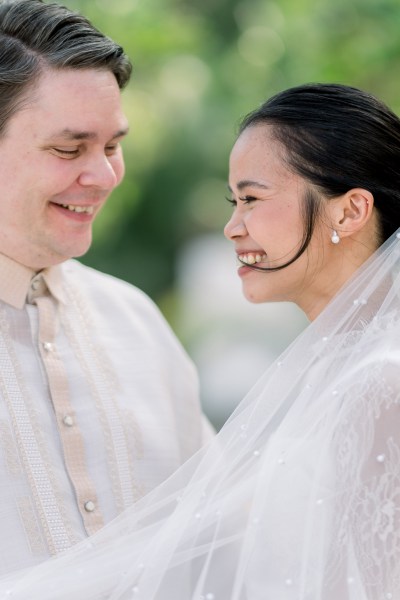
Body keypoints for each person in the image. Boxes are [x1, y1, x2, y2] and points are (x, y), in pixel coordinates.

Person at [1, 82, 400, 599]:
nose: (232, 226)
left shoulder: (380, 380)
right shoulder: (331, 369)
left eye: (252, 199)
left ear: (348, 212)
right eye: (67, 148)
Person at [0, 0, 213, 578]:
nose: (104, 176)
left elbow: (222, 533)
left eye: (112, 146)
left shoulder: (136, 320)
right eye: (68, 149)